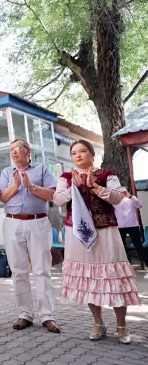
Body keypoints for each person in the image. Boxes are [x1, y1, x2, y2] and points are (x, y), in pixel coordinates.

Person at [53, 140, 140, 344]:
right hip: (78, 234)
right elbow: (58, 200)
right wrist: (74, 185)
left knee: (115, 280)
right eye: (74, 153)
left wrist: (95, 187)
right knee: (89, 280)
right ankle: (98, 323)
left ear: (92, 154)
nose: (78, 155)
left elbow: (118, 198)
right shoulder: (67, 177)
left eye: (83, 151)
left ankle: (122, 326)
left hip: (106, 231)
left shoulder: (106, 175)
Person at [0, 139, 60, 333]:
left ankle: (47, 316)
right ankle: (24, 314)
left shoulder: (41, 169)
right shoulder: (7, 172)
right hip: (13, 222)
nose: (14, 153)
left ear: (28, 150)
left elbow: (52, 195)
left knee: (42, 270)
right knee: (18, 270)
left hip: (38, 222)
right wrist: (16, 186)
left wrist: (31, 186)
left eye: (17, 149)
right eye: (11, 150)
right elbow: (2, 197)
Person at [115, 187, 148, 277]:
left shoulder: (131, 199)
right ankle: (128, 269)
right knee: (122, 249)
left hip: (132, 225)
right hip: (120, 227)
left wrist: (129, 196)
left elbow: (139, 205)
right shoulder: (114, 201)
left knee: (139, 247)